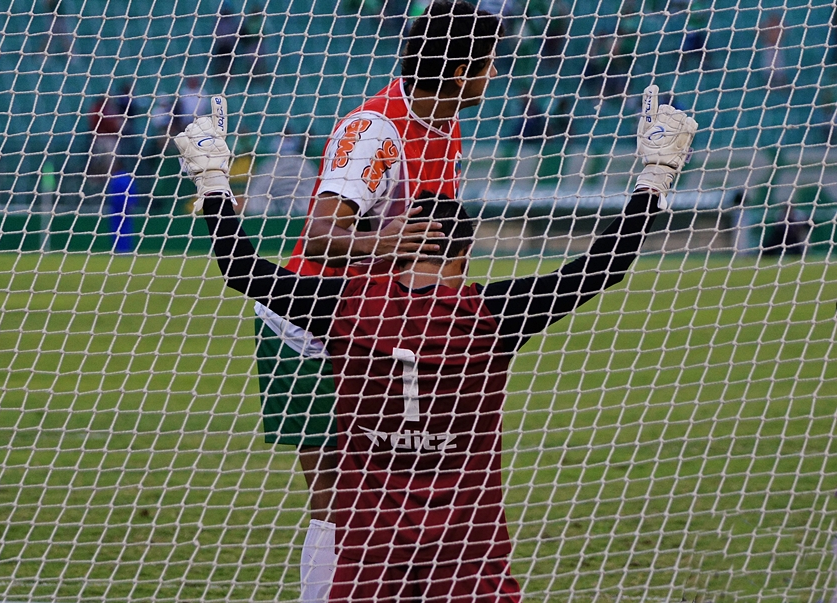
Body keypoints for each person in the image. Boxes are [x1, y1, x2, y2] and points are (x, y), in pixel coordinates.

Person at [175, 86, 698, 600]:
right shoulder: (490, 316)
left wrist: (214, 181)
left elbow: (242, 269)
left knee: (331, 511)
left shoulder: (344, 308)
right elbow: (602, 267)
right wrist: (654, 176)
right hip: (468, 558)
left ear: (402, 241)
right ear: (464, 251)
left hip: (371, 562)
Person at [250, 2, 504, 600]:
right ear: (462, 70)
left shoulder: (446, 122)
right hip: (310, 328)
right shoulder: (376, 132)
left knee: (390, 502)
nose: (496, 74)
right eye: (490, 63)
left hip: (380, 327)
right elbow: (317, 233)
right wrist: (384, 241)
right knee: (339, 503)